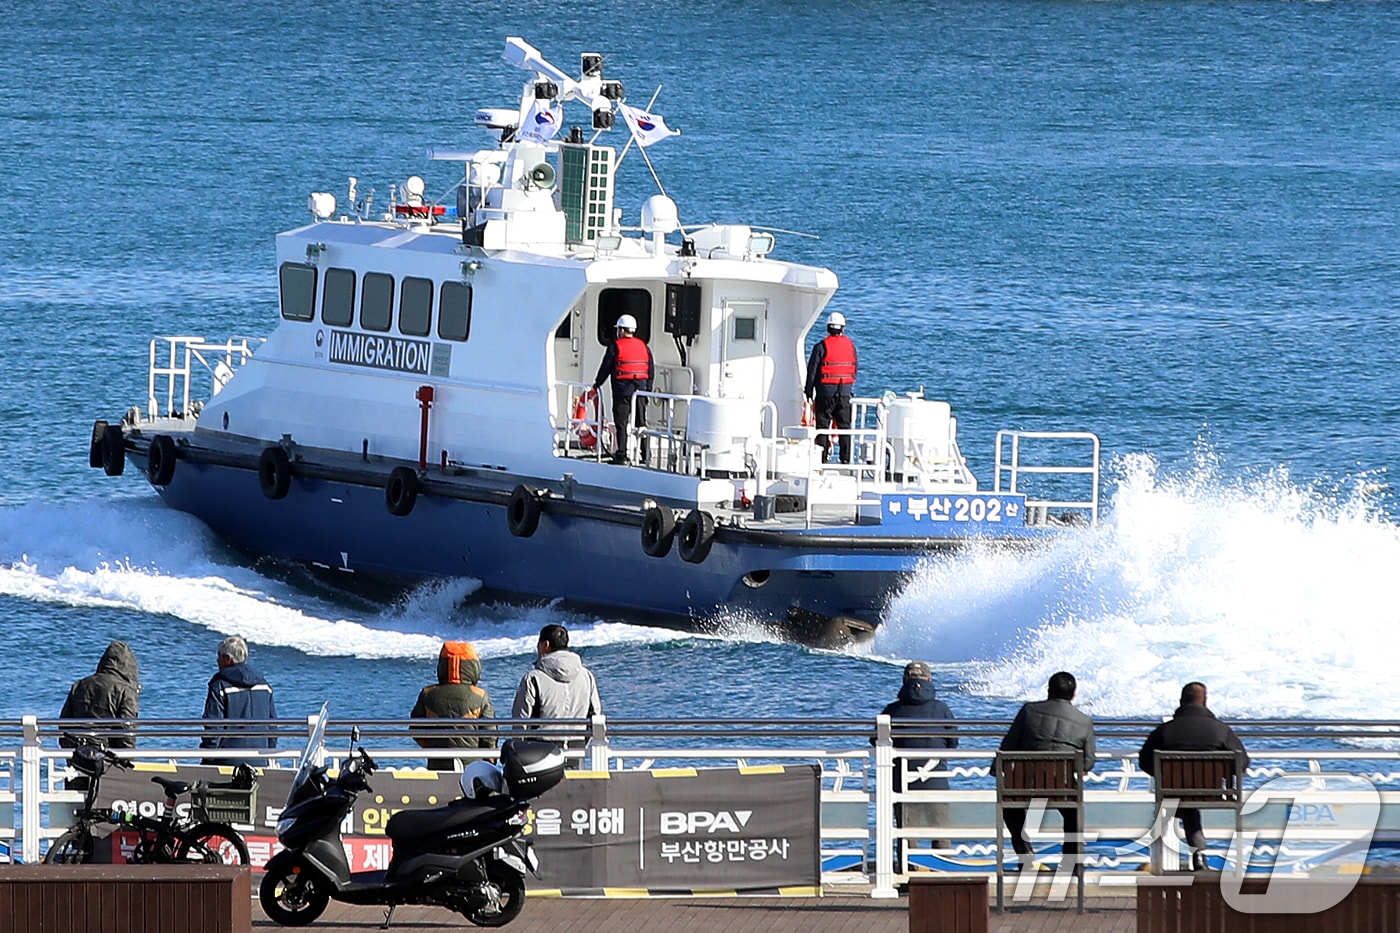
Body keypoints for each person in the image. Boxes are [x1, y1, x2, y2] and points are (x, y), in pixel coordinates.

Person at [1138, 681, 1250, 871]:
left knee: (1183, 801)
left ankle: (1181, 857)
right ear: (1205, 701)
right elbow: (1243, 762)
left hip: (1171, 793)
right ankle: (1199, 855)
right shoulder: (1221, 730)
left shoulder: (1165, 731)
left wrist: (1165, 777)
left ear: (1181, 701)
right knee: (1190, 803)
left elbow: (1145, 762)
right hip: (1213, 793)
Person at [999, 671, 1097, 868]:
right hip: (1063, 788)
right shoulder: (1084, 721)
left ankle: (1024, 853)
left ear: (1048, 690)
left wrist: (996, 769)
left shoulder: (1029, 711)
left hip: (1025, 785)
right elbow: (1087, 762)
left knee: (1010, 808)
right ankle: (1071, 861)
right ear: (1074, 694)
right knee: (1073, 814)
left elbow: (1008, 745)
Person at [879, 661, 958, 848]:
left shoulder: (892, 710)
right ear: (929, 680)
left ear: (904, 680)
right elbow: (953, 743)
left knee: (906, 833)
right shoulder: (942, 709)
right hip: (936, 779)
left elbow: (876, 740)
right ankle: (941, 871)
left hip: (903, 782)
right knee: (940, 831)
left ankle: (910, 870)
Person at [512, 624, 602, 762]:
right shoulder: (587, 676)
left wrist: (519, 752)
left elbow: (520, 720)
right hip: (575, 748)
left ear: (545, 645)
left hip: (541, 750)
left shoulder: (533, 678)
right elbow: (595, 715)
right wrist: (582, 742)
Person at [410, 641, 496, 771]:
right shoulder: (481, 696)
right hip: (472, 769)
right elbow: (489, 737)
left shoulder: (427, 694)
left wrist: (433, 747)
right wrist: (490, 762)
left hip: (437, 766)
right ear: (473, 666)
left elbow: (416, 730)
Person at [200, 635, 277, 767]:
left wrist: (207, 759)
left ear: (228, 659)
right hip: (259, 761)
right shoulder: (264, 686)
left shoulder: (220, 686)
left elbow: (213, 729)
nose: (217, 660)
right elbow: (272, 728)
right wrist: (266, 754)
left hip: (226, 762)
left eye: (219, 656)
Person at [593, 314, 654, 465]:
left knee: (621, 422)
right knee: (641, 422)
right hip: (641, 390)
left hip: (622, 391)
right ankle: (645, 454)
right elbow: (651, 370)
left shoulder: (615, 346)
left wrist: (596, 384)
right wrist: (648, 390)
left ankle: (621, 454)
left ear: (620, 330)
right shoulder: (644, 347)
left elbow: (606, 367)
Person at [59, 640, 141, 749]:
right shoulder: (126, 690)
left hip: (79, 754)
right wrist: (127, 759)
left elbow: (64, 723)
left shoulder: (80, 685)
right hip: (108, 756)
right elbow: (126, 731)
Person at [804, 311, 858, 465]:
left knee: (822, 426)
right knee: (844, 427)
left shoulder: (821, 346)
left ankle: (822, 458)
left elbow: (812, 370)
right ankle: (845, 459)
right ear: (843, 328)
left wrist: (808, 391)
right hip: (845, 393)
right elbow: (855, 369)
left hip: (825, 393)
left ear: (828, 328)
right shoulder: (850, 346)